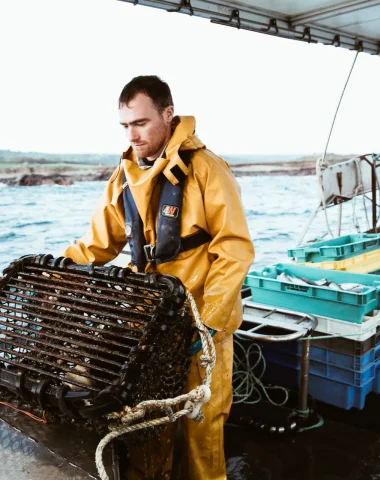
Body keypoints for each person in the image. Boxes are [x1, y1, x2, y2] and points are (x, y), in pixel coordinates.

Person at [63, 75, 254, 480]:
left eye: (142, 123)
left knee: (202, 425)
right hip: (150, 328)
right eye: (125, 126)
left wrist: (205, 325)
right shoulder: (124, 178)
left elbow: (234, 251)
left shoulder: (207, 169)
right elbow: (96, 246)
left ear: (169, 115)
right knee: (150, 425)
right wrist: (56, 269)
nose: (133, 135)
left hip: (202, 328)